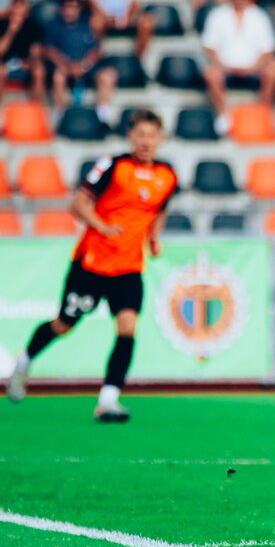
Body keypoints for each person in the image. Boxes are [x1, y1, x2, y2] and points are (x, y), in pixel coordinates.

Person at [6, 110, 178, 422]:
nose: (146, 142)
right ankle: (25, 360)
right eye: (141, 135)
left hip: (129, 268)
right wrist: (102, 226)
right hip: (92, 263)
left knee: (127, 328)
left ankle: (108, 400)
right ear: (130, 136)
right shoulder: (113, 165)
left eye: (152, 136)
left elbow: (159, 209)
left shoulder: (167, 175)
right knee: (64, 324)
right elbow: (78, 203)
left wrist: (154, 239)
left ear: (161, 139)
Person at [201, 0, 275, 134]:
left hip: (254, 69)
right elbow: (209, 47)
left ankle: (263, 113)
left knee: (272, 72)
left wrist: (254, 67)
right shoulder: (217, 15)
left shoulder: (259, 16)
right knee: (210, 74)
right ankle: (223, 115)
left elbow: (268, 50)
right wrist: (222, 66)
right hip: (225, 69)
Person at [44, 0, 118, 122]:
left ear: (79, 8)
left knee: (108, 75)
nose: (70, 11)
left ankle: (104, 117)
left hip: (87, 68)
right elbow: (49, 50)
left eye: (73, 7)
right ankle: (60, 116)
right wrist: (68, 65)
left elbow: (96, 50)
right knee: (58, 76)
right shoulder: (53, 26)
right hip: (64, 67)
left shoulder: (89, 24)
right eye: (67, 7)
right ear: (61, 8)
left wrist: (84, 66)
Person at [0, 0, 46, 106]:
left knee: (39, 70)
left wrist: (30, 61)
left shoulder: (32, 25)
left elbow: (36, 50)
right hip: (5, 64)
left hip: (26, 63)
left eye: (22, 7)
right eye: (16, 7)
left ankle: (37, 108)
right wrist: (11, 31)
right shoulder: (2, 24)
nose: (19, 11)